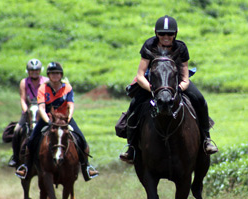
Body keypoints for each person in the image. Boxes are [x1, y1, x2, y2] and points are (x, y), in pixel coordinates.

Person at [119, 15, 218, 164]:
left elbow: (185, 78)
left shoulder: (181, 48)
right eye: (162, 34)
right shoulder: (149, 45)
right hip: (153, 84)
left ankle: (206, 139)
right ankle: (131, 147)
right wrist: (153, 90)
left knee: (200, 100)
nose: (166, 37)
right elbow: (140, 76)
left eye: (170, 34)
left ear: (175, 33)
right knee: (134, 106)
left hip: (175, 84)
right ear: (156, 33)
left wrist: (177, 89)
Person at [16, 62, 99, 181]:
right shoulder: (43, 88)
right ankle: (26, 167)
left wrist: (67, 119)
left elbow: (70, 106)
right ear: (48, 75)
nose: (55, 76)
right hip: (48, 119)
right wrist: (48, 121)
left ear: (61, 75)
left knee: (81, 139)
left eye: (57, 73)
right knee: (31, 140)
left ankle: (86, 167)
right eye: (52, 73)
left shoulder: (67, 87)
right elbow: (41, 108)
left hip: (65, 119)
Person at [8, 59, 48, 167]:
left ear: (40, 71)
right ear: (28, 71)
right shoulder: (23, 82)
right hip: (29, 112)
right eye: (32, 70)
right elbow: (22, 98)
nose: (34, 72)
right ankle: (15, 157)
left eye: (37, 70)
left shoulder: (45, 81)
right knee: (17, 130)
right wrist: (26, 111)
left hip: (42, 111)